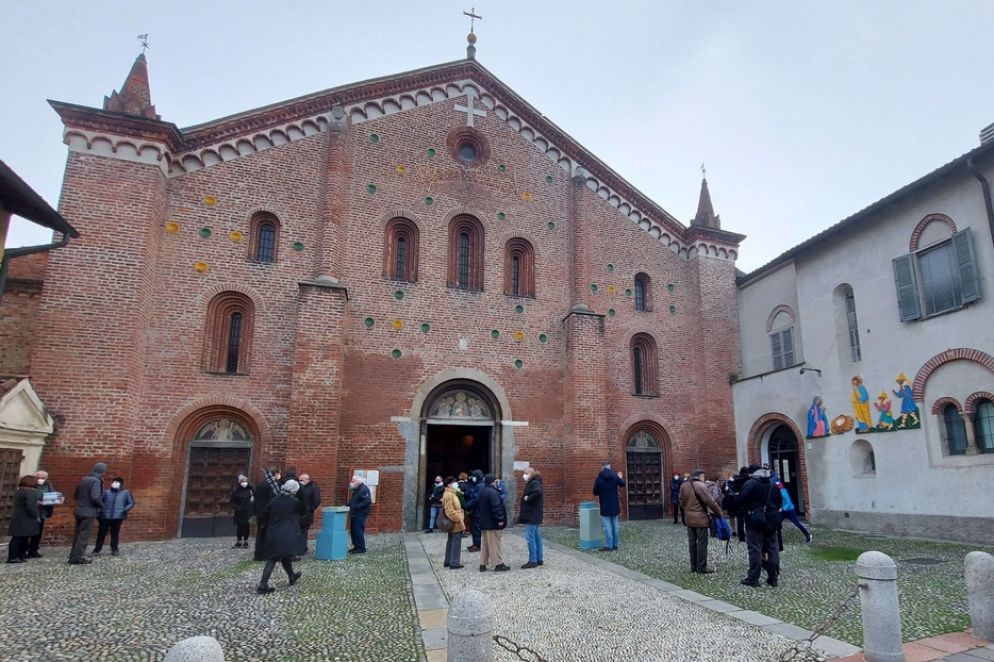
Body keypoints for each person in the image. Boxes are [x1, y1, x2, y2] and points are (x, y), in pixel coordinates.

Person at [737, 464, 783, 587]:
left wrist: (746, 513)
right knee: (773, 549)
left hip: (754, 520)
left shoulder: (750, 484)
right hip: (772, 520)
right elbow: (779, 502)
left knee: (755, 548)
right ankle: (773, 577)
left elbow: (740, 501)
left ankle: (753, 578)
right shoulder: (773, 484)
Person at [256, 479, 304, 594]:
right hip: (286, 533)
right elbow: (302, 511)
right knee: (274, 558)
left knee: (283, 556)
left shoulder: (274, 500)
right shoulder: (294, 501)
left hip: (273, 532)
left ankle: (292, 576)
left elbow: (267, 514)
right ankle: (262, 585)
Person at [679, 469, 723, 574]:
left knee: (692, 543)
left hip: (689, 518)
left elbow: (681, 501)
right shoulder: (701, 486)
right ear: (700, 476)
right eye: (703, 476)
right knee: (702, 543)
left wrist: (688, 510)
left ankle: (693, 566)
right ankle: (702, 567)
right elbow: (711, 502)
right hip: (701, 519)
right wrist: (719, 513)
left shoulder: (684, 486)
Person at [69, 462, 107, 565]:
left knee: (77, 534)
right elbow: (95, 497)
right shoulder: (96, 481)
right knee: (84, 535)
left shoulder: (84, 479)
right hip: (88, 512)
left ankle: (73, 555)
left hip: (79, 510)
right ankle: (77, 557)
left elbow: (76, 495)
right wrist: (102, 505)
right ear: (103, 471)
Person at [92, 476, 135, 556]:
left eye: (117, 482)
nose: (115, 484)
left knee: (115, 533)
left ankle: (114, 549)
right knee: (101, 533)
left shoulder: (126, 493)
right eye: (114, 482)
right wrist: (100, 512)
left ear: (121, 484)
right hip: (104, 516)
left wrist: (124, 510)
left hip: (118, 517)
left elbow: (131, 503)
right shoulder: (106, 492)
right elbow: (100, 502)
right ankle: (97, 550)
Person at [477, 474, 509, 572]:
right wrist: (500, 519)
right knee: (494, 544)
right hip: (492, 523)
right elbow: (496, 508)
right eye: (496, 481)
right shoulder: (492, 492)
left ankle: (482, 564)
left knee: (485, 544)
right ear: (492, 482)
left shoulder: (483, 491)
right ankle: (497, 564)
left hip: (484, 522)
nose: (497, 483)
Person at [28, 470, 62, 558]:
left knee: (38, 532)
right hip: (32, 511)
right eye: (38, 478)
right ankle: (24, 549)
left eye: (43, 478)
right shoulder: (30, 485)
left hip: (43, 511)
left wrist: (57, 499)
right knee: (28, 531)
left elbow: (53, 495)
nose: (41, 480)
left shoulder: (48, 485)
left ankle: (34, 549)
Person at [592, 461, 625, 551]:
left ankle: (608, 545)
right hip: (615, 504)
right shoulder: (615, 476)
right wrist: (620, 477)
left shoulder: (599, 478)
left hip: (605, 504)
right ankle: (615, 545)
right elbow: (623, 484)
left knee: (607, 526)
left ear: (602, 468)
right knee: (615, 526)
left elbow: (595, 492)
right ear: (609, 468)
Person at [8, 476, 40, 563]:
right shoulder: (31, 492)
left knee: (18, 537)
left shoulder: (20, 491)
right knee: (20, 538)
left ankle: (17, 555)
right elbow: (30, 506)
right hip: (26, 518)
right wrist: (35, 515)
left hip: (18, 516)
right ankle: (15, 556)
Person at [773, 472, 811, 543]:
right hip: (782, 512)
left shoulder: (783, 492)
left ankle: (807, 534)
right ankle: (776, 539)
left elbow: (788, 503)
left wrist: (782, 508)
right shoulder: (777, 491)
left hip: (790, 511)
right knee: (777, 523)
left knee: (796, 523)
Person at [518, 467, 544, 569]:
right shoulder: (536, 481)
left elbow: (538, 492)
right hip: (535, 514)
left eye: (525, 473)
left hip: (532, 515)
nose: (524, 475)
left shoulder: (534, 483)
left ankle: (532, 560)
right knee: (537, 537)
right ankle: (539, 558)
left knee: (530, 538)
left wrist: (528, 498)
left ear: (530, 473)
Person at [253, 468, 281, 561]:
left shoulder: (262, 483)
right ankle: (263, 554)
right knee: (266, 534)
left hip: (260, 512)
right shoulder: (272, 484)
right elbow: (274, 499)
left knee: (261, 534)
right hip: (267, 513)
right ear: (276, 473)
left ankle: (259, 554)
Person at [441, 476, 465, 570]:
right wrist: (458, 518)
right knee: (456, 542)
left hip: (454, 521)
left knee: (451, 541)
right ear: (449, 484)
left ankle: (448, 560)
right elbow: (450, 511)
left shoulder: (450, 493)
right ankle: (454, 562)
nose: (456, 484)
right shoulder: (449, 495)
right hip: (455, 522)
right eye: (454, 482)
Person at [722, 467, 750, 543]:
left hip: (735, 501)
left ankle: (740, 536)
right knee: (746, 518)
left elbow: (725, 491)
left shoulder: (735, 481)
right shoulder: (748, 481)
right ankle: (747, 534)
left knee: (739, 519)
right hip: (744, 501)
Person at [298, 473, 321, 552]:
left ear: (307, 480)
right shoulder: (303, 487)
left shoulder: (313, 487)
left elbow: (317, 500)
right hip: (301, 512)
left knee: (303, 530)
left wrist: (311, 509)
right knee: (300, 530)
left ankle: (302, 547)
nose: (300, 481)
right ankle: (301, 546)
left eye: (301, 480)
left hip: (307, 513)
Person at [348, 474, 371, 554]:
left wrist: (355, 507)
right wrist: (348, 505)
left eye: (353, 481)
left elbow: (367, 501)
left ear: (358, 481)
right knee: (354, 530)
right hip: (355, 513)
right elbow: (354, 500)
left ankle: (361, 547)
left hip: (359, 514)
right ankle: (356, 546)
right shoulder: (357, 489)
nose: (351, 482)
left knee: (358, 530)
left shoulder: (363, 489)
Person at [463, 469, 485, 552]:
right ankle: (475, 543)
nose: (472, 478)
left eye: (474, 476)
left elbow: (475, 498)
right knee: (474, 528)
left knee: (476, 529)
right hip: (477, 511)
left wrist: (466, 506)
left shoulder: (480, 486)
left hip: (478, 511)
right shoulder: (479, 485)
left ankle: (478, 544)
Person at [231, 474, 254, 549]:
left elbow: (255, 498)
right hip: (239, 512)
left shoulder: (251, 489)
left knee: (247, 527)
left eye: (245, 480)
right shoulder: (236, 490)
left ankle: (245, 542)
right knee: (239, 528)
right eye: (242, 480)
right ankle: (239, 541)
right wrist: (237, 508)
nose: (244, 482)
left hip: (248, 512)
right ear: (239, 482)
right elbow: (232, 501)